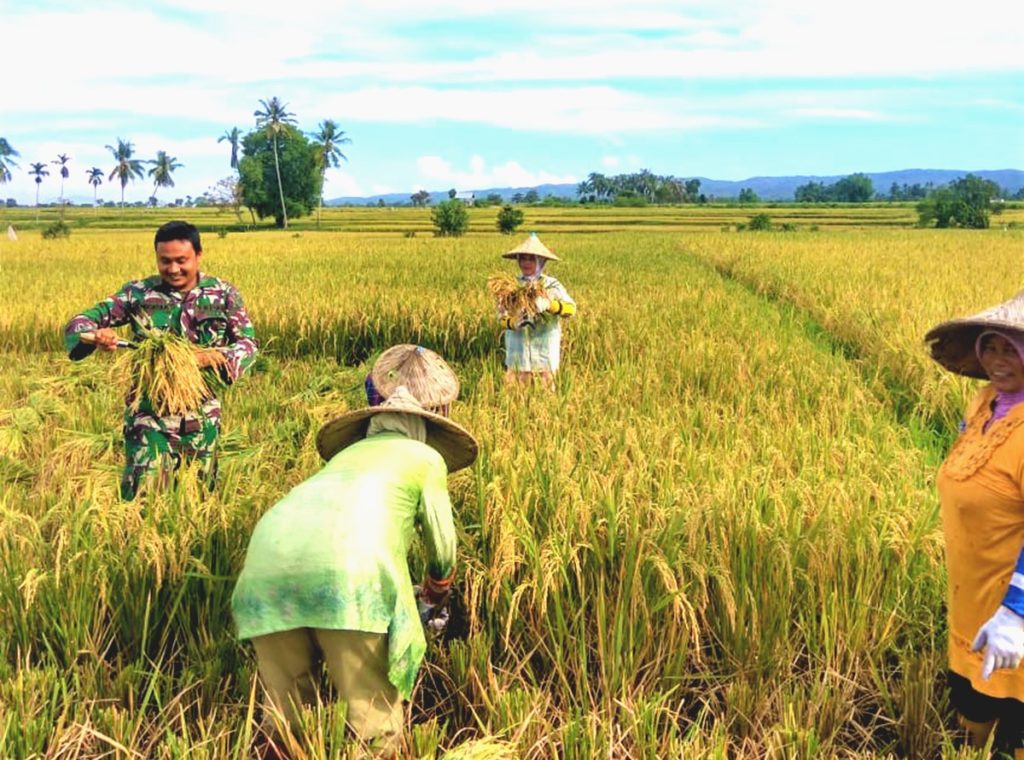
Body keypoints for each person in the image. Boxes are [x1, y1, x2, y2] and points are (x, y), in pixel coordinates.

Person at [230, 371, 478, 756]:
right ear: (423, 429)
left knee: (286, 719)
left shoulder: (345, 457)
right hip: (347, 577)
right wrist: (436, 589)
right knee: (373, 720)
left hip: (264, 572)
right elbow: (443, 544)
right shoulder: (425, 457)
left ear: (370, 426)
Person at [63, 220, 258, 500]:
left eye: (182, 260)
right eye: (165, 261)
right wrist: (96, 335)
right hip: (148, 418)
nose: (173, 269)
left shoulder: (223, 295)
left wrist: (213, 356)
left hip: (201, 419)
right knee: (144, 500)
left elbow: (249, 345)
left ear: (198, 256)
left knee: (199, 499)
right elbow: (80, 322)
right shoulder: (137, 294)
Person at [926, 293, 1024, 756]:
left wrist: (1016, 613)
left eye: (1013, 349)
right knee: (971, 715)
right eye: (991, 346)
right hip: (974, 600)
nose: (998, 360)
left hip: (1013, 616)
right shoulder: (984, 404)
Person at [495, 232, 576, 387]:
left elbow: (571, 309)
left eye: (531, 258)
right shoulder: (510, 286)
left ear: (541, 261)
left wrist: (550, 305)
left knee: (545, 396)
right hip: (517, 353)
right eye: (523, 258)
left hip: (544, 353)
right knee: (514, 396)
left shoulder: (550, 285)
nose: (526, 262)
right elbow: (500, 318)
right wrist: (513, 323)